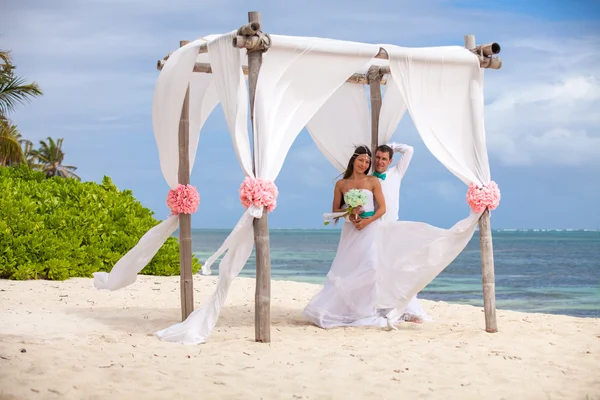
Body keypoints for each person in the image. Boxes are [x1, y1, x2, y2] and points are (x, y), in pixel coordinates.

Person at [303, 145, 389, 328]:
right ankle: (346, 310)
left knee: (371, 267)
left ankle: (365, 310)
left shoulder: (373, 181)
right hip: (351, 230)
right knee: (347, 268)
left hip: (369, 229)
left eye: (367, 162)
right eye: (361, 160)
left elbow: (382, 208)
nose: (364, 164)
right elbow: (335, 210)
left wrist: (367, 221)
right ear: (353, 160)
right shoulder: (341, 184)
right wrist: (350, 214)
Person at [367, 142, 431, 324]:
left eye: (384, 159)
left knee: (397, 269)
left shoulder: (396, 173)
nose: (380, 161)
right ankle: (379, 308)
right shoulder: (369, 179)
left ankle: (405, 309)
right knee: (376, 270)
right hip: (374, 229)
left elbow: (410, 149)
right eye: (377, 157)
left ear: (390, 161)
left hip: (392, 229)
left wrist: (389, 144)